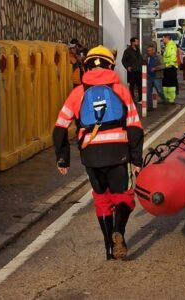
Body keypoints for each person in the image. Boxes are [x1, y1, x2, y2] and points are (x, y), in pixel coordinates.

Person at [53, 45, 144, 260]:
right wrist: (137, 159)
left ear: (87, 66)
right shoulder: (120, 90)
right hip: (118, 152)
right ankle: (119, 232)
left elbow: (60, 127)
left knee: (102, 199)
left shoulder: (77, 93)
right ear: (110, 66)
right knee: (124, 197)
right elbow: (134, 126)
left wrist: (62, 157)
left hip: (91, 156)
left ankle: (109, 250)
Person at [122, 37, 144, 103]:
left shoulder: (138, 50)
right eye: (137, 41)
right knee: (132, 86)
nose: (138, 43)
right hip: (132, 71)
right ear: (133, 42)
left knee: (140, 85)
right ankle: (132, 100)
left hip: (139, 71)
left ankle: (141, 99)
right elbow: (123, 60)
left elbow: (140, 59)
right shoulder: (127, 51)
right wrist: (127, 67)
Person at [162, 34, 179, 103]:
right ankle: (167, 98)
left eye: (163, 39)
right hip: (166, 67)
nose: (162, 40)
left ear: (167, 38)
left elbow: (173, 56)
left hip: (171, 68)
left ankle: (171, 99)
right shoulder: (167, 46)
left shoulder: (171, 46)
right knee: (166, 83)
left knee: (171, 84)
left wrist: (170, 64)